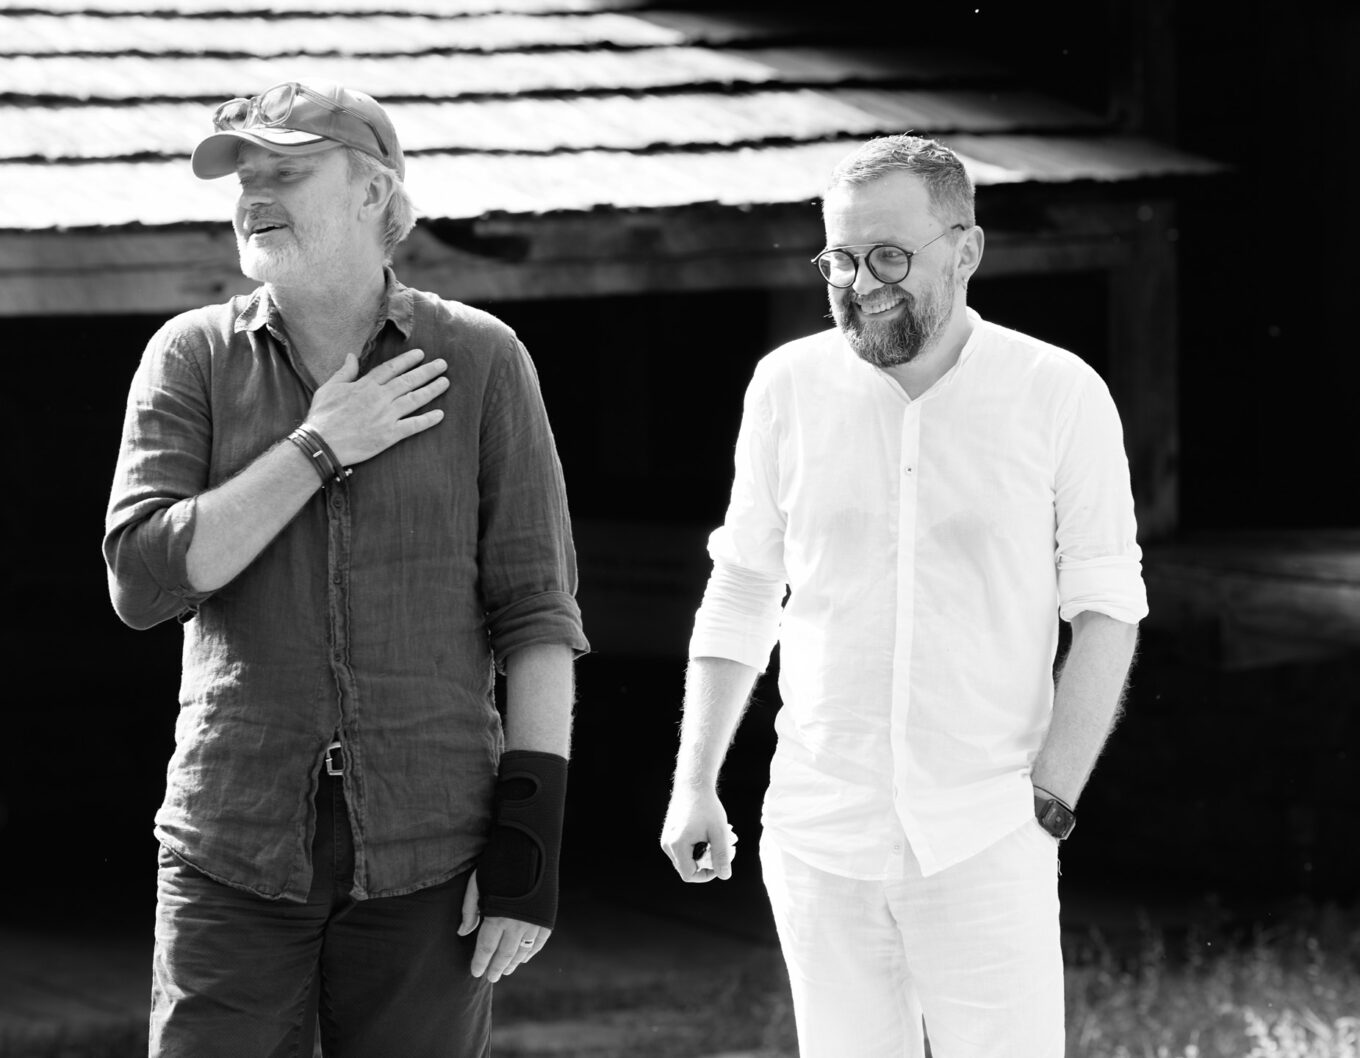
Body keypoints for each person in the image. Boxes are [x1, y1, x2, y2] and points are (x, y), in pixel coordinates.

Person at [103, 81, 588, 1058]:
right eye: (243, 175)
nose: (253, 194)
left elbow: (537, 615)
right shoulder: (190, 356)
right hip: (230, 846)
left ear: (375, 192)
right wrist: (317, 447)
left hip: (432, 853)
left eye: (283, 171)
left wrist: (527, 851)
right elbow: (142, 585)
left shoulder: (481, 358)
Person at [660, 134, 1147, 1057]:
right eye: (839, 259)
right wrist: (695, 784)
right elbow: (744, 588)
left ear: (965, 250)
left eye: (889, 255)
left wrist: (1048, 801)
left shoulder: (1057, 391)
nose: (861, 283)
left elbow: (1107, 610)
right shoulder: (786, 385)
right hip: (816, 835)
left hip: (986, 834)